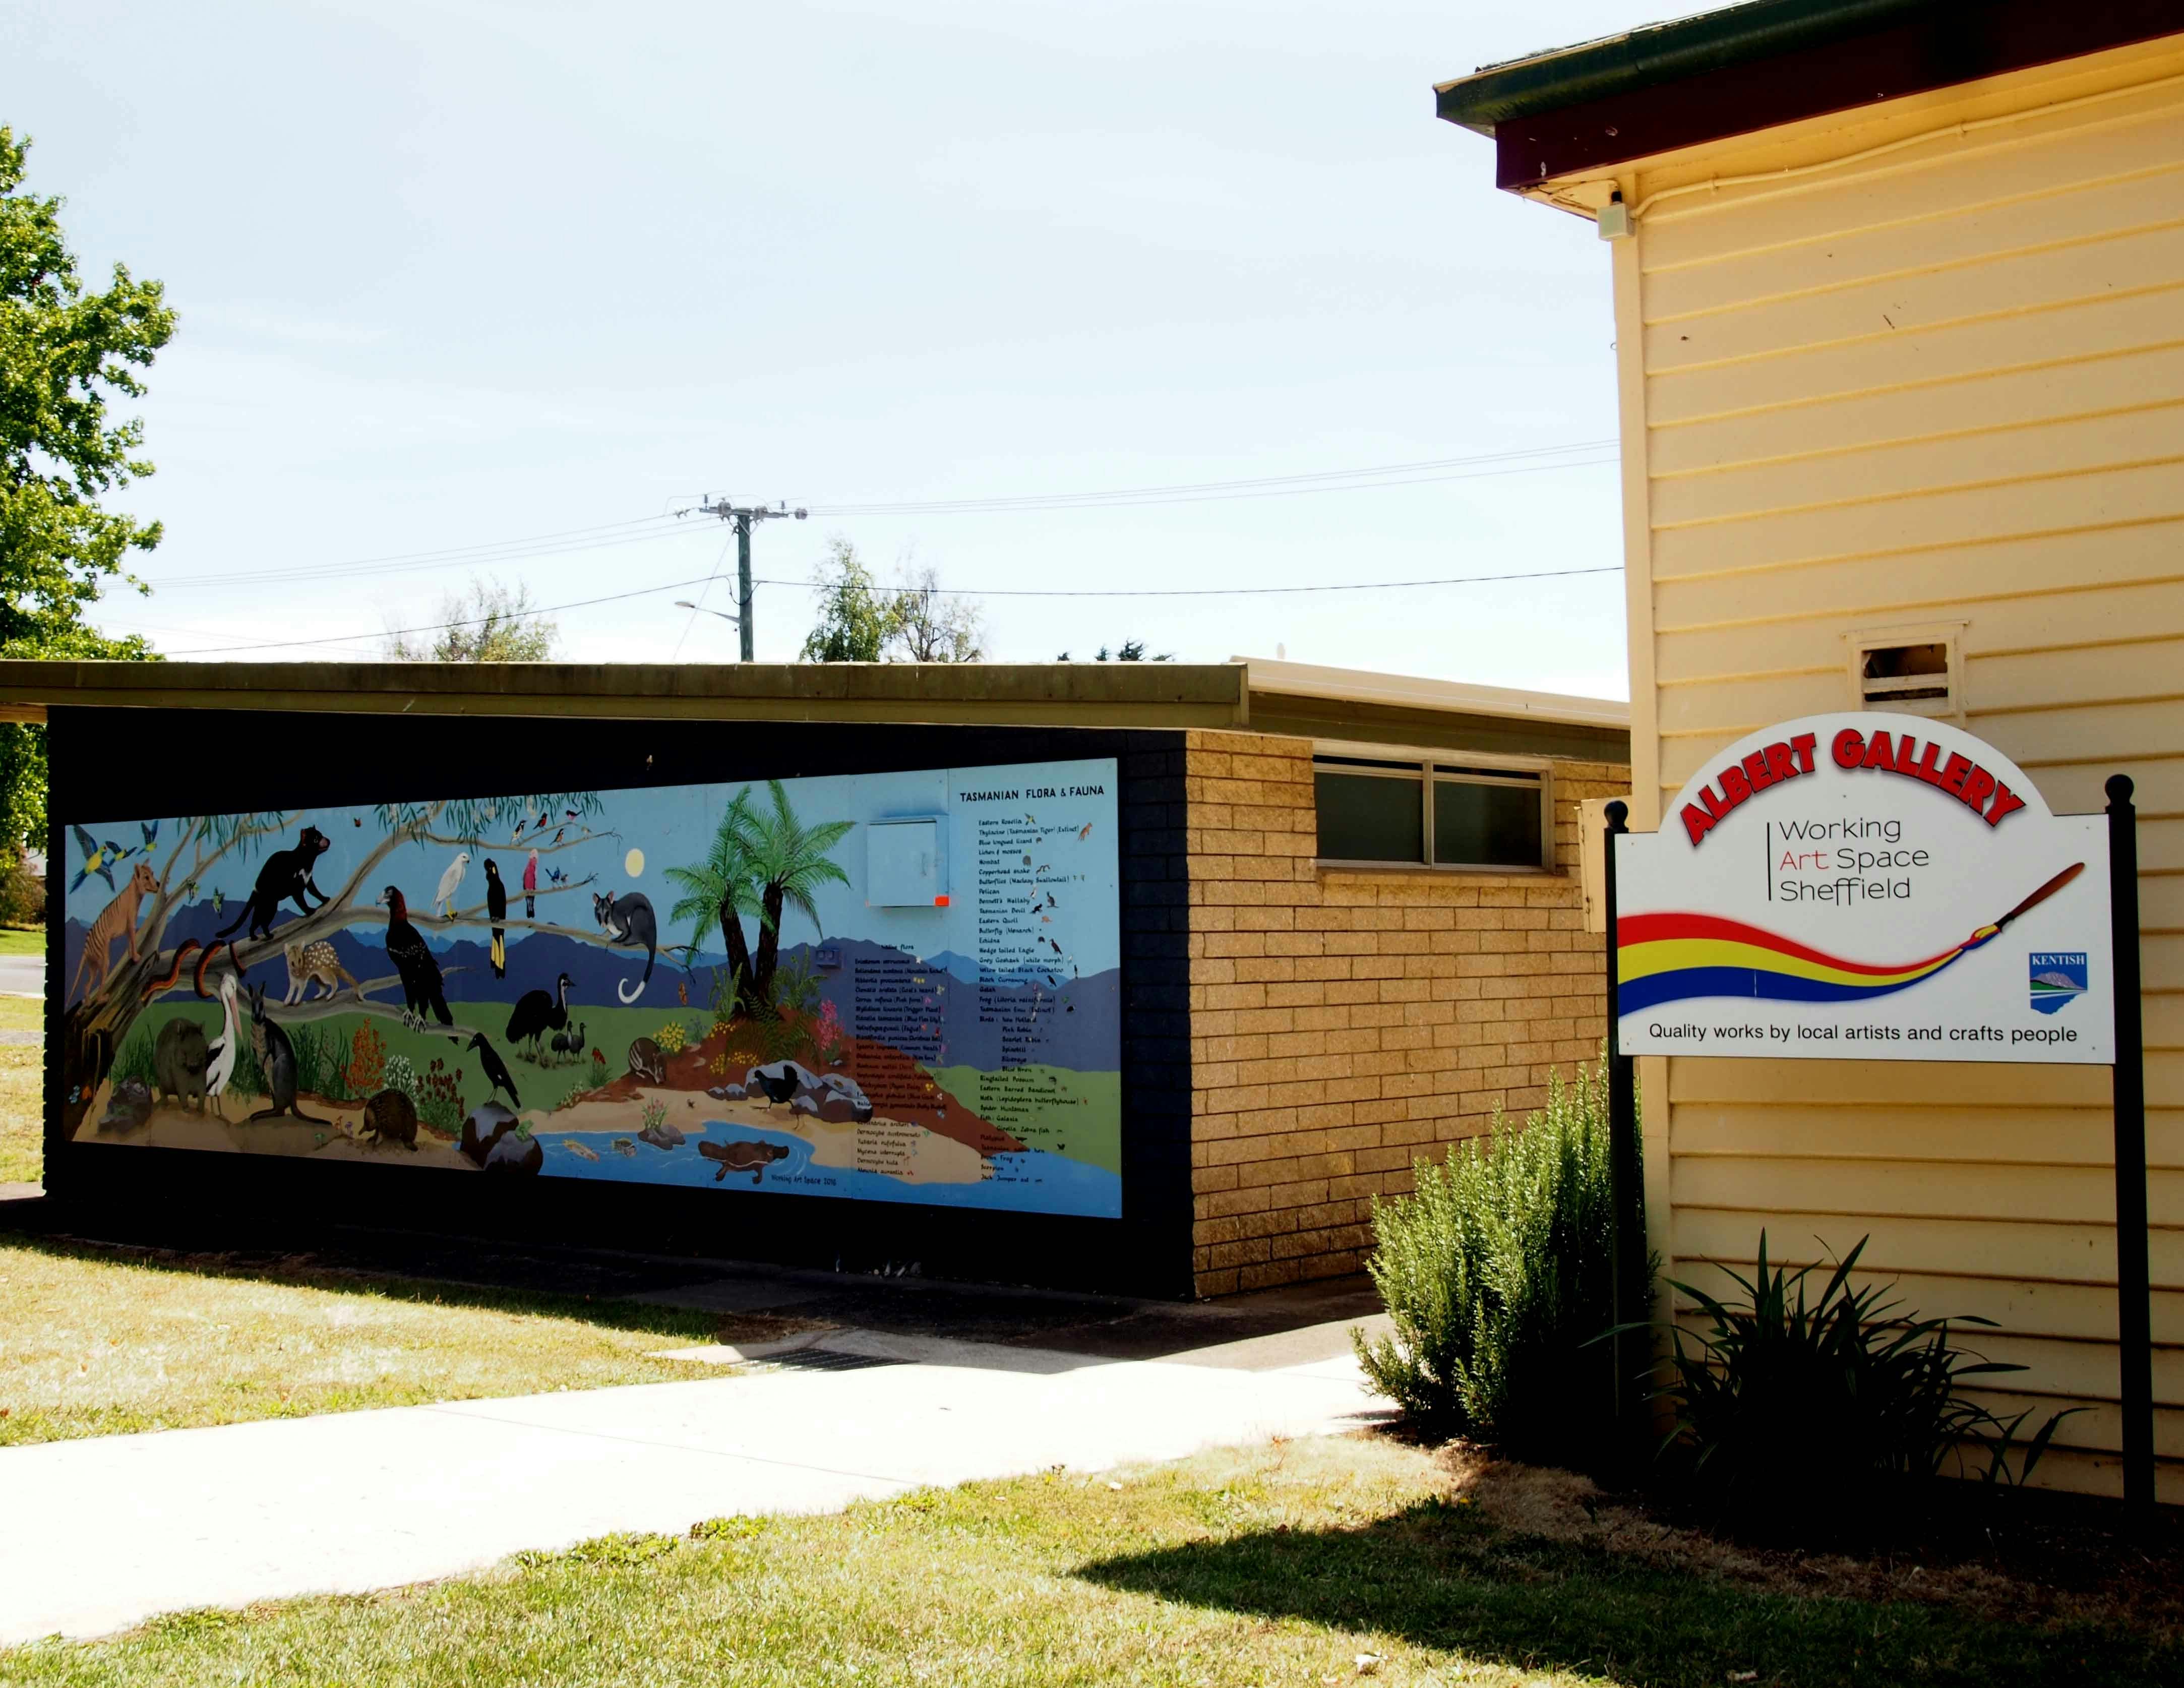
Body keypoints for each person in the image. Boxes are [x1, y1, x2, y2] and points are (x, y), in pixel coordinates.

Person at [523, 848, 538, 919]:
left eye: (535, 858)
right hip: (527, 889)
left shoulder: (534, 868)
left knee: (531, 903)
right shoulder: (528, 868)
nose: (535, 860)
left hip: (532, 890)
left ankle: (530, 911)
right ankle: (530, 910)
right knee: (529, 903)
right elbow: (524, 878)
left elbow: (535, 880)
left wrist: (535, 889)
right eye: (534, 858)